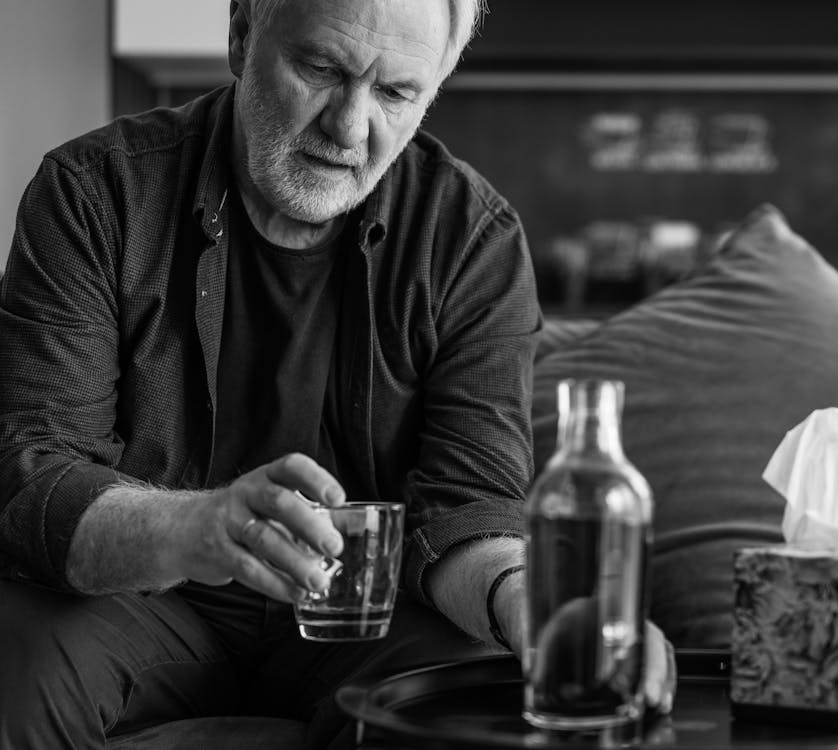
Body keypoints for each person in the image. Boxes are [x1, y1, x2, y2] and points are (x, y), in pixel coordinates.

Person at [0, 0, 674, 747]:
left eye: (395, 93)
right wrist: (199, 527)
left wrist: (534, 597)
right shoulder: (95, 190)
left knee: (477, 695)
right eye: (321, 69)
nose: (349, 129)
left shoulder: (471, 238)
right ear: (240, 35)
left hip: (372, 620)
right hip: (141, 598)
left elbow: (468, 507)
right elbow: (33, 471)